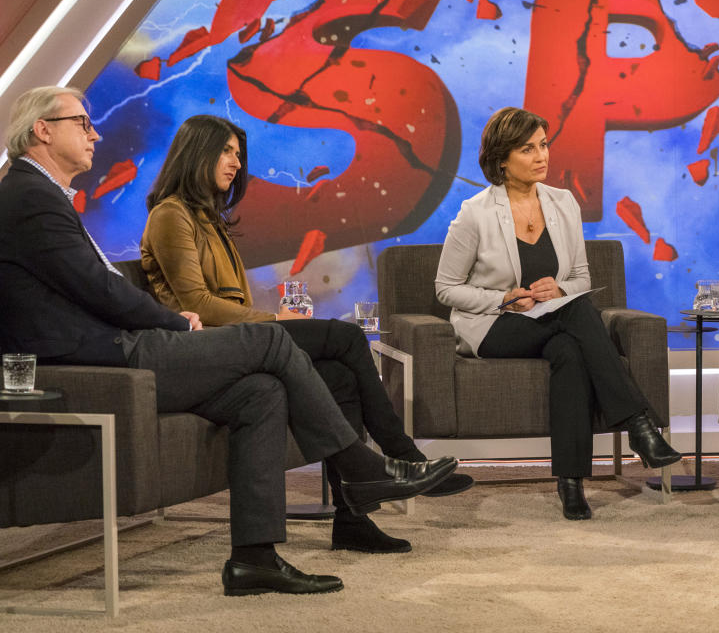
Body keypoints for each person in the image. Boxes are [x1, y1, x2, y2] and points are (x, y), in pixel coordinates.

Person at [0, 86, 459, 596]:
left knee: (261, 392)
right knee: (274, 344)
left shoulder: (43, 196)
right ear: (42, 129)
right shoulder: (29, 196)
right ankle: (363, 465)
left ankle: (253, 558)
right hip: (105, 358)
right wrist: (176, 324)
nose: (95, 132)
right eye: (83, 123)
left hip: (117, 346)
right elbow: (100, 288)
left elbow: (91, 286)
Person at [139, 115, 473, 554]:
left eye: (239, 154)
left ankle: (352, 520)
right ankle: (401, 454)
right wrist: (276, 323)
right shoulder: (170, 215)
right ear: (195, 152)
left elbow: (231, 306)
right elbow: (198, 305)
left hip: (237, 338)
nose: (236, 163)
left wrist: (269, 321)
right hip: (204, 348)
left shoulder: (209, 219)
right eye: (225, 152)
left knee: (340, 374)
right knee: (347, 338)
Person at [434, 106, 681, 520]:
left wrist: (561, 288)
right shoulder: (474, 213)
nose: (541, 156)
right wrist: (503, 299)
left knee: (569, 346)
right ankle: (638, 424)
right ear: (501, 160)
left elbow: (581, 276)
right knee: (578, 315)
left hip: (552, 321)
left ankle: (571, 483)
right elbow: (446, 289)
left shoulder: (563, 203)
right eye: (528, 149)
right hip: (495, 326)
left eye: (544, 145)